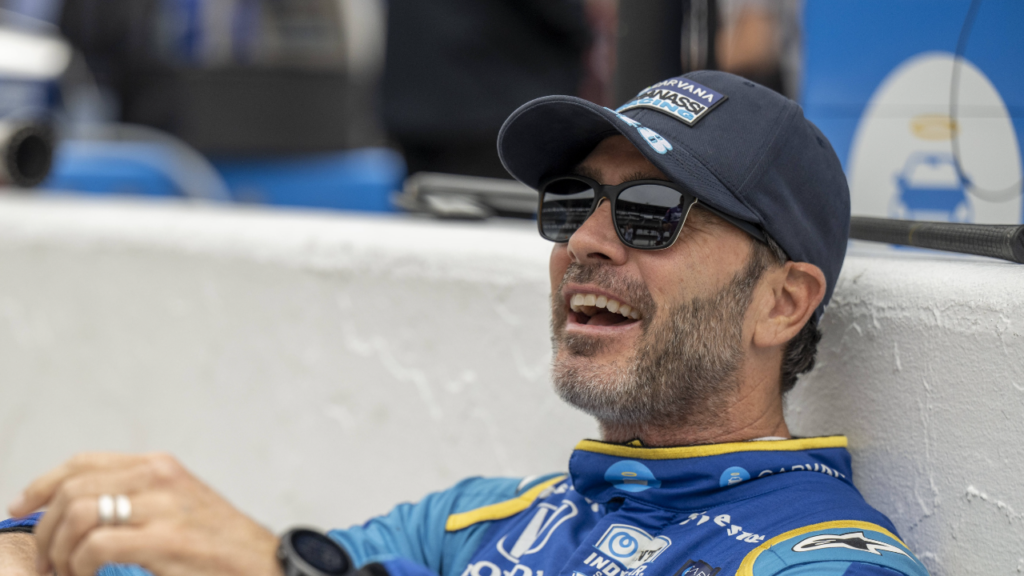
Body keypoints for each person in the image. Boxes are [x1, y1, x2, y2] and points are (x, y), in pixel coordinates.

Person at [0, 71, 930, 576]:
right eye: (571, 203)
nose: (587, 241)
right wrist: (54, 541)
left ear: (783, 302)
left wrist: (274, 566)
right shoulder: (485, 517)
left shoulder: (824, 559)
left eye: (651, 214)